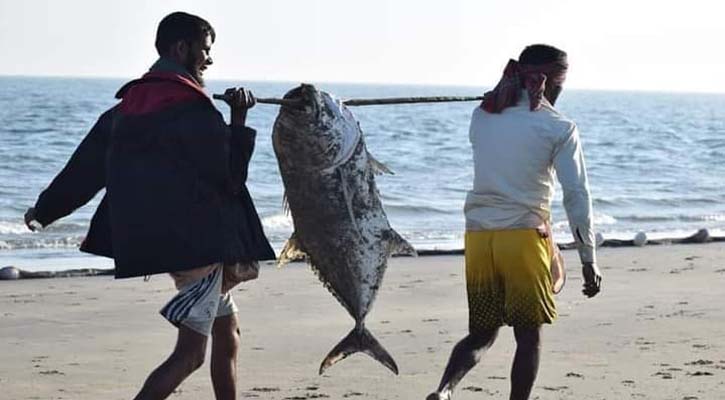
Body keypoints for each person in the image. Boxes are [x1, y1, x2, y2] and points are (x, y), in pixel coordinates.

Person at [23, 11, 275, 400]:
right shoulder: (194, 109)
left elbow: (84, 170)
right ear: (181, 48)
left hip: (169, 244)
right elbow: (230, 178)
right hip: (200, 248)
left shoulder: (127, 108)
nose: (209, 60)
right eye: (205, 51)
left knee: (229, 332)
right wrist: (238, 121)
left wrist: (43, 211)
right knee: (190, 355)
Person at [426, 44, 602, 400]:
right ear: (552, 82)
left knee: (481, 333)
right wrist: (589, 259)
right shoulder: (560, 127)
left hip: (479, 238)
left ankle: (444, 392)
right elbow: (576, 196)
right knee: (529, 336)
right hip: (523, 238)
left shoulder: (482, 115)